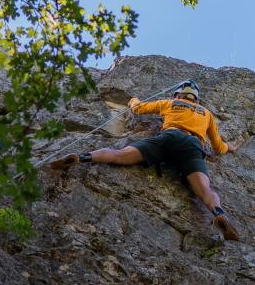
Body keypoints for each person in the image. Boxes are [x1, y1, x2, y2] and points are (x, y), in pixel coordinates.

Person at [50, 80, 240, 240]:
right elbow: (219, 147)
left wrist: (133, 100)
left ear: (178, 95)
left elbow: (139, 109)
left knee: (119, 155)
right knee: (205, 190)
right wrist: (230, 147)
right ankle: (218, 214)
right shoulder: (206, 113)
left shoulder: (169, 103)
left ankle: (83, 157)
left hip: (168, 137)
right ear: (196, 98)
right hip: (192, 146)